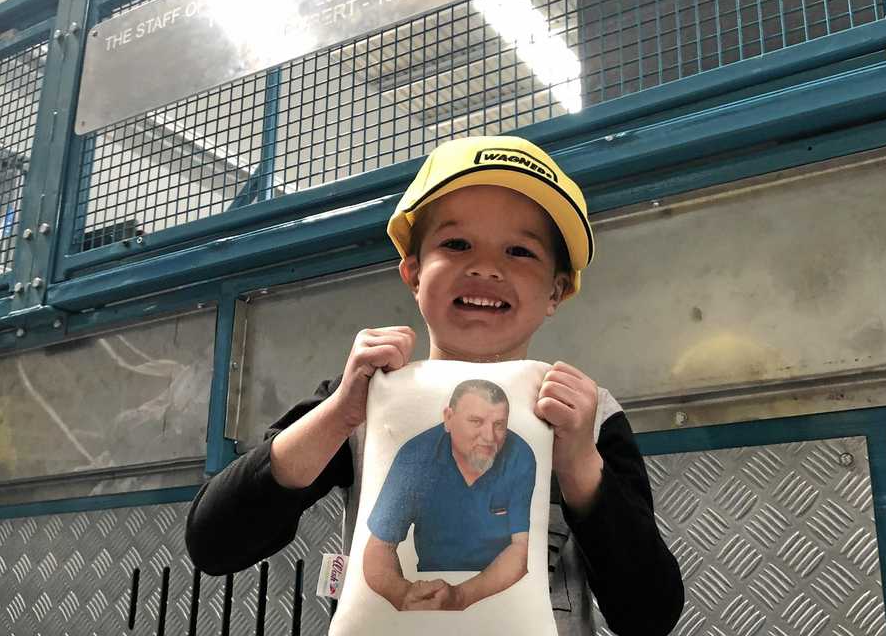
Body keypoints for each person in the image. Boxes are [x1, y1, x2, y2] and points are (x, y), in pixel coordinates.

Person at [185, 135, 685, 634]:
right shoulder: (365, 396)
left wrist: (579, 463)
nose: (486, 267)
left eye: (520, 251)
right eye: (456, 243)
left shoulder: (590, 417)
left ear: (556, 290)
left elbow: (647, 614)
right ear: (414, 272)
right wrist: (339, 414)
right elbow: (214, 542)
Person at [364, 379, 536, 610]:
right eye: (476, 421)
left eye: (499, 424)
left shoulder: (520, 456)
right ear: (448, 418)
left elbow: (521, 550)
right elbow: (378, 548)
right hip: (432, 588)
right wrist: (403, 595)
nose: (489, 437)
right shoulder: (415, 458)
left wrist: (461, 597)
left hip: (501, 585)